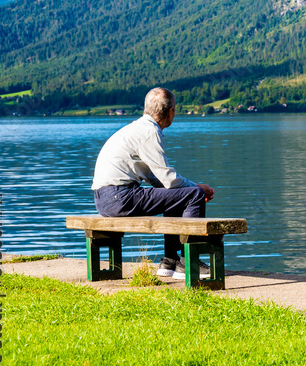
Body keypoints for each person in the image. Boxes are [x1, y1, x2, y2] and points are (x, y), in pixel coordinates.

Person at [92, 87, 215, 279]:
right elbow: (168, 179)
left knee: (179, 195)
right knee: (193, 195)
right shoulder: (150, 132)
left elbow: (157, 180)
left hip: (104, 200)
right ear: (171, 111)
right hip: (120, 197)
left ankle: (170, 261)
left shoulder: (136, 129)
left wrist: (187, 187)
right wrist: (197, 188)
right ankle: (188, 261)